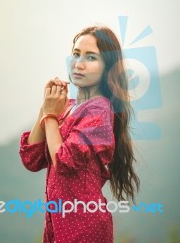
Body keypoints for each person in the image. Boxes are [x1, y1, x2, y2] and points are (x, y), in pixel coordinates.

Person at [19, 25, 140, 243]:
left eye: (91, 57)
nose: (79, 63)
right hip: (58, 225)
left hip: (85, 227)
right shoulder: (67, 107)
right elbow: (32, 159)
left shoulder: (99, 111)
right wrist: (46, 108)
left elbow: (64, 161)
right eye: (76, 54)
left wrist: (51, 115)